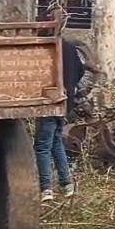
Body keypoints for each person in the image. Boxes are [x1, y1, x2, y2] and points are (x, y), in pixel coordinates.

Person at [34, 10, 86, 202]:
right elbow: (80, 71)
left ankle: (46, 189)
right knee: (56, 141)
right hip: (65, 101)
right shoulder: (70, 47)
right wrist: (69, 87)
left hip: (50, 100)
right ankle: (67, 185)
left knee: (42, 146)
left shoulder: (47, 48)